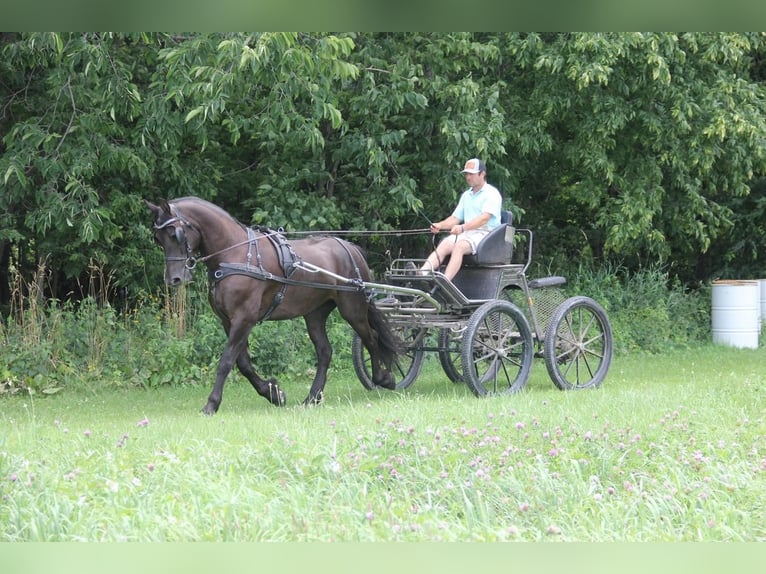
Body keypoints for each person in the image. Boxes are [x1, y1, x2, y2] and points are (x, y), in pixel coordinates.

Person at [418, 158, 503, 280]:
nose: (468, 177)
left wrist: (463, 228)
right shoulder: (466, 195)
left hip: (487, 235)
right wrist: (440, 225)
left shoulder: (492, 193)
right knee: (445, 243)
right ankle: (421, 274)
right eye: (466, 174)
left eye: (471, 174)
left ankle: (445, 282)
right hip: (468, 233)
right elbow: (455, 218)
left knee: (459, 246)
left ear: (482, 174)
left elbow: (484, 218)